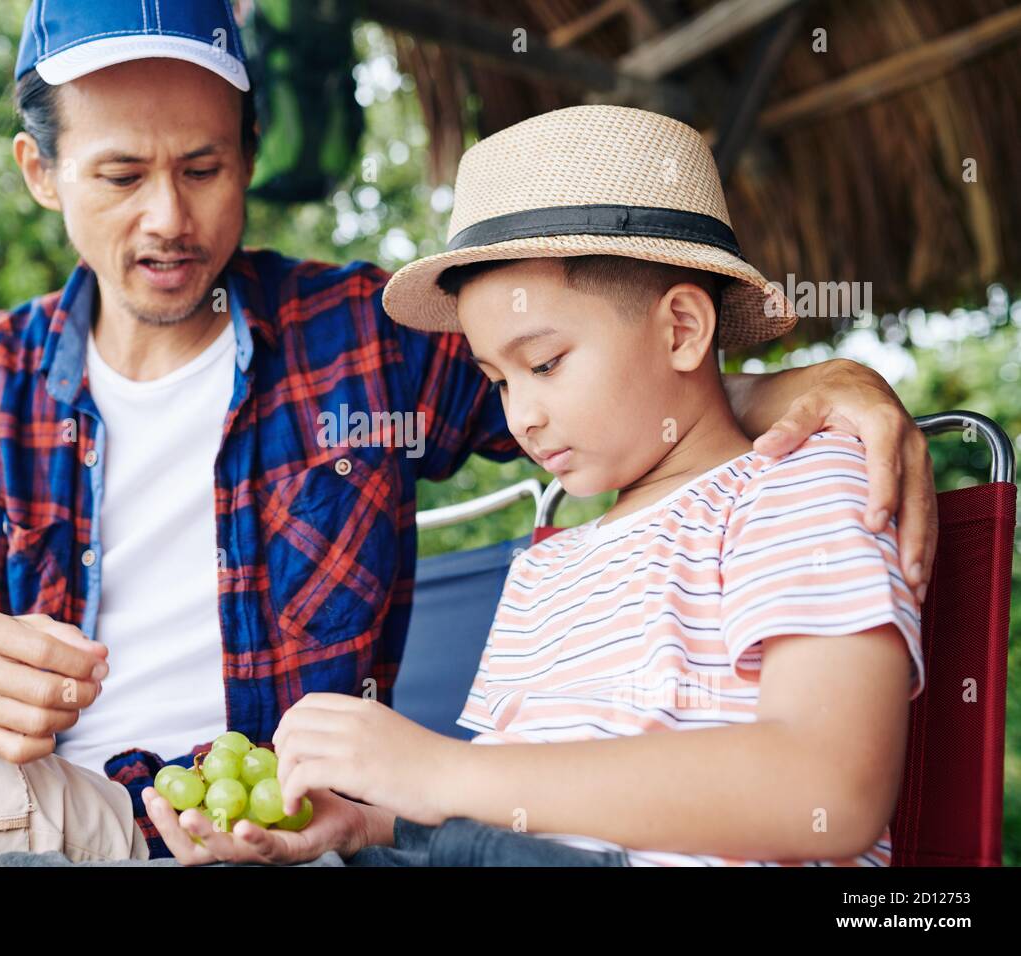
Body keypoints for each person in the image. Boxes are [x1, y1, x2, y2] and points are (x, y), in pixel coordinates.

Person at [0, 4, 934, 867]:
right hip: (58, 802)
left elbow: (621, 388)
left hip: (288, 824)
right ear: (42, 172)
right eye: (119, 174)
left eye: (204, 166)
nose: (168, 217)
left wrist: (810, 386)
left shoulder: (369, 336)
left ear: (253, 152)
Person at [140, 105, 923, 867]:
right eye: (498, 381)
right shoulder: (549, 566)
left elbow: (829, 790)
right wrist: (366, 826)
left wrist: (440, 772)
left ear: (682, 329)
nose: (522, 418)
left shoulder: (795, 485)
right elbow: (504, 812)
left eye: (544, 364)